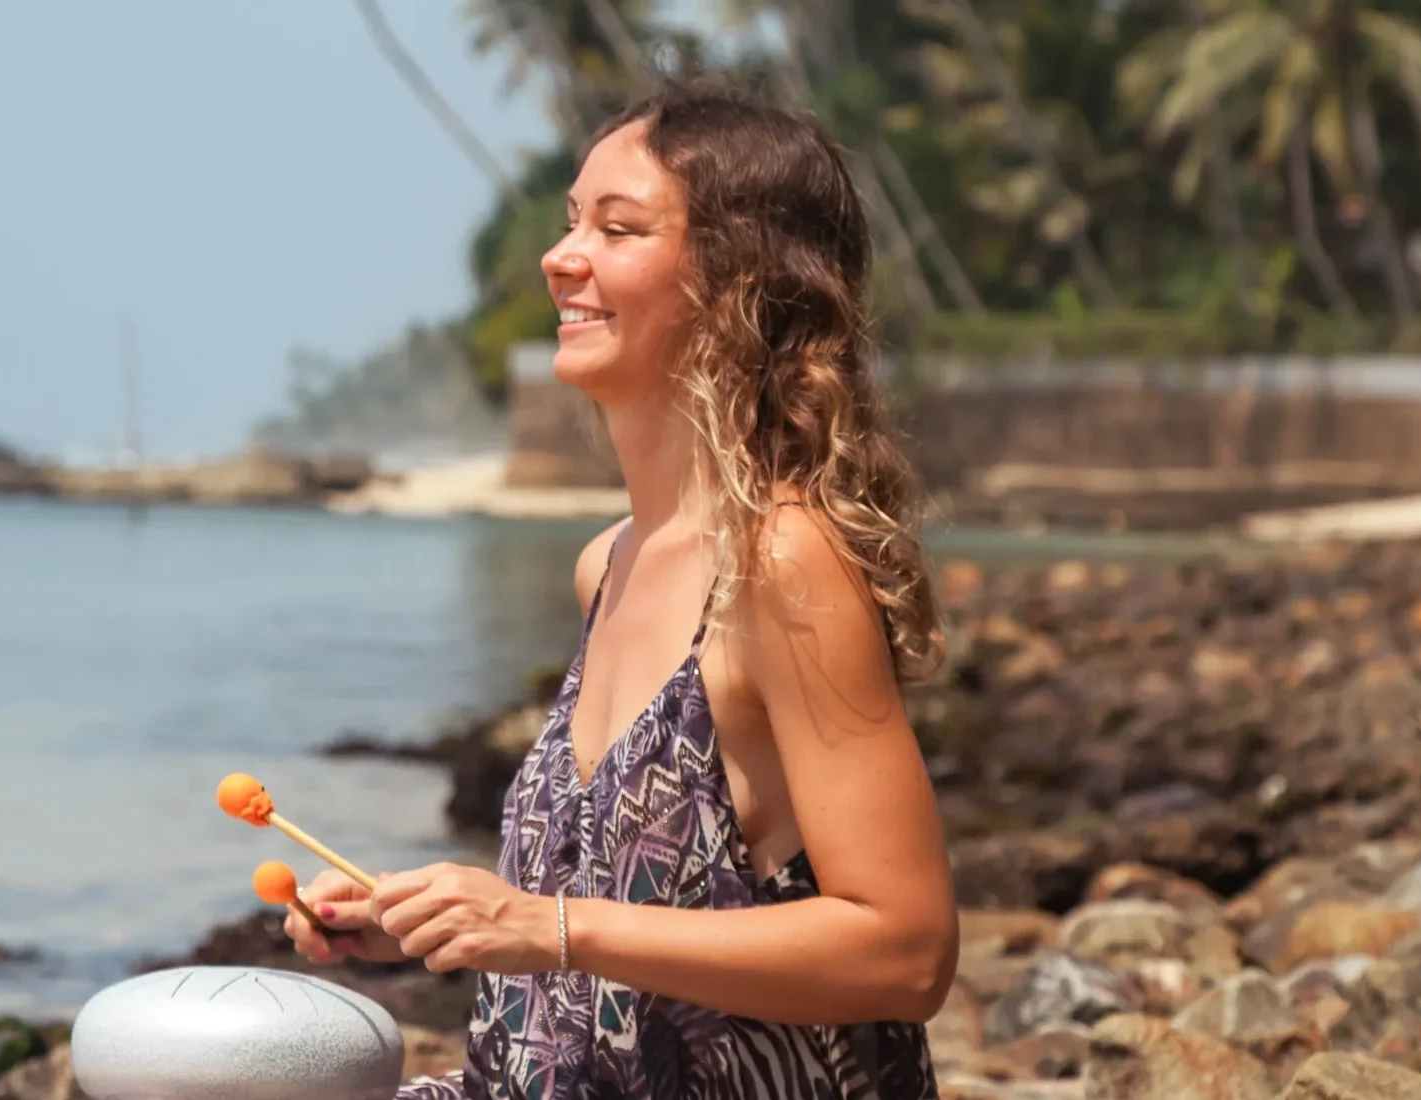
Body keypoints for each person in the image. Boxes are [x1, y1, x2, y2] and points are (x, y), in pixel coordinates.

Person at [282, 74, 958, 1099]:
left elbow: (906, 950)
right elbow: (614, 913)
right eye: (571, 222)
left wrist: (548, 927)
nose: (561, 258)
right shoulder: (608, 564)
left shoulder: (779, 563)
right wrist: (434, 921)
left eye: (617, 228)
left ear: (737, 282)